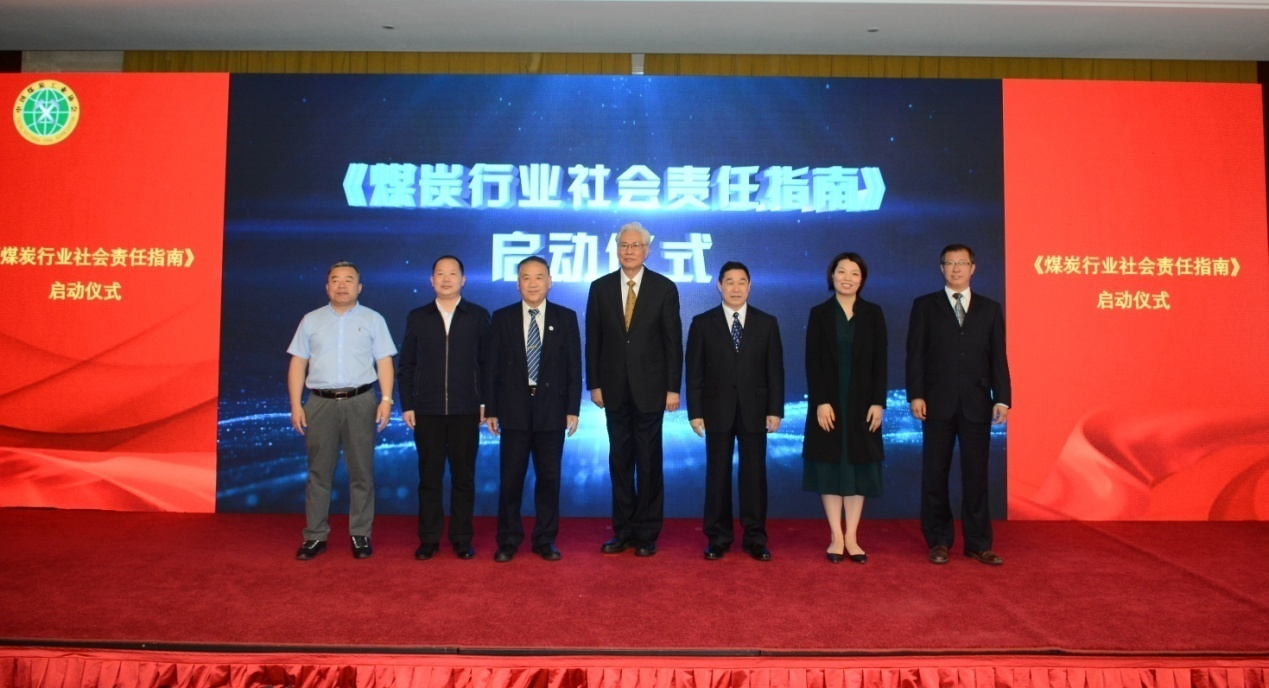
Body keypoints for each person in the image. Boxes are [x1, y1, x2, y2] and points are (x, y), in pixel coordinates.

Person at [906, 243, 1011, 566]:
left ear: (972, 268)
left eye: (962, 263)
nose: (956, 269)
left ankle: (978, 543)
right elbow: (915, 354)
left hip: (977, 403)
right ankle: (938, 540)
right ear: (941, 268)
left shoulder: (990, 308)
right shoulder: (925, 306)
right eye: (949, 263)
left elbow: (998, 357)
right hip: (936, 403)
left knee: (976, 476)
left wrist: (1002, 397)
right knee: (934, 475)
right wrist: (916, 394)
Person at [288, 261, 397, 560]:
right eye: (335, 280)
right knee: (318, 472)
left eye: (349, 280)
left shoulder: (373, 319)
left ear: (359, 287)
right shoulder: (311, 320)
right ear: (327, 287)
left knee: (361, 472)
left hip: (360, 401)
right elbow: (298, 362)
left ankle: (360, 534)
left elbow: (384, 361)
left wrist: (386, 400)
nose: (342, 285)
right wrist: (296, 404)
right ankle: (315, 536)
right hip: (319, 402)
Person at [586, 221, 683, 557]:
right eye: (623, 245)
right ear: (616, 249)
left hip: (651, 389)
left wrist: (673, 388)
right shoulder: (600, 288)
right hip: (613, 389)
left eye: (635, 245)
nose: (629, 251)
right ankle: (623, 530)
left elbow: (672, 342)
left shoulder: (664, 288)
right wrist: (594, 384)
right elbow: (593, 340)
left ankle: (647, 532)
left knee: (649, 462)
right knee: (620, 461)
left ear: (647, 250)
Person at [483, 257, 582, 562]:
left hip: (552, 410)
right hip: (513, 409)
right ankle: (508, 540)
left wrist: (572, 408)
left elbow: (574, 367)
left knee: (549, 480)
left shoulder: (565, 317)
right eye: (526, 277)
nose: (533, 283)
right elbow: (492, 367)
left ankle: (545, 539)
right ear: (517, 284)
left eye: (539, 277)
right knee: (511, 480)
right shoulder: (502, 318)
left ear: (550, 282)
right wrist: (491, 409)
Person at [686, 261, 784, 562]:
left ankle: (755, 538)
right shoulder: (702, 323)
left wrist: (775, 409)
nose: (736, 288)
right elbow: (694, 372)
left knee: (754, 477)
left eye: (742, 282)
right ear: (719, 286)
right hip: (716, 409)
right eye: (730, 281)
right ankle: (718, 538)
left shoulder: (767, 323)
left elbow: (775, 371)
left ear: (750, 286)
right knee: (717, 476)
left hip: (756, 410)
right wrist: (695, 411)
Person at [398, 256, 491, 561]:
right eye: (440, 274)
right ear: (431, 280)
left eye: (453, 274)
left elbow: (487, 364)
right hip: (427, 410)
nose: (446, 279)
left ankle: (462, 538)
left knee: (464, 478)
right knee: (429, 478)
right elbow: (407, 365)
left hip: (466, 410)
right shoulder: (418, 316)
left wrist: (484, 402)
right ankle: (428, 539)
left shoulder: (477, 316)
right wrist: (408, 403)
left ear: (463, 280)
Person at [803, 252, 887, 565]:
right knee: (829, 465)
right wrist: (821, 401)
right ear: (832, 276)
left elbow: (881, 361)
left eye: (854, 273)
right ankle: (835, 536)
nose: (847, 278)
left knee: (858, 466)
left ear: (862, 279)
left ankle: (852, 536)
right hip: (830, 403)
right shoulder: (820, 313)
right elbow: (812, 361)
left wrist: (878, 402)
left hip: (863, 404)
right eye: (841, 271)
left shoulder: (873, 313)